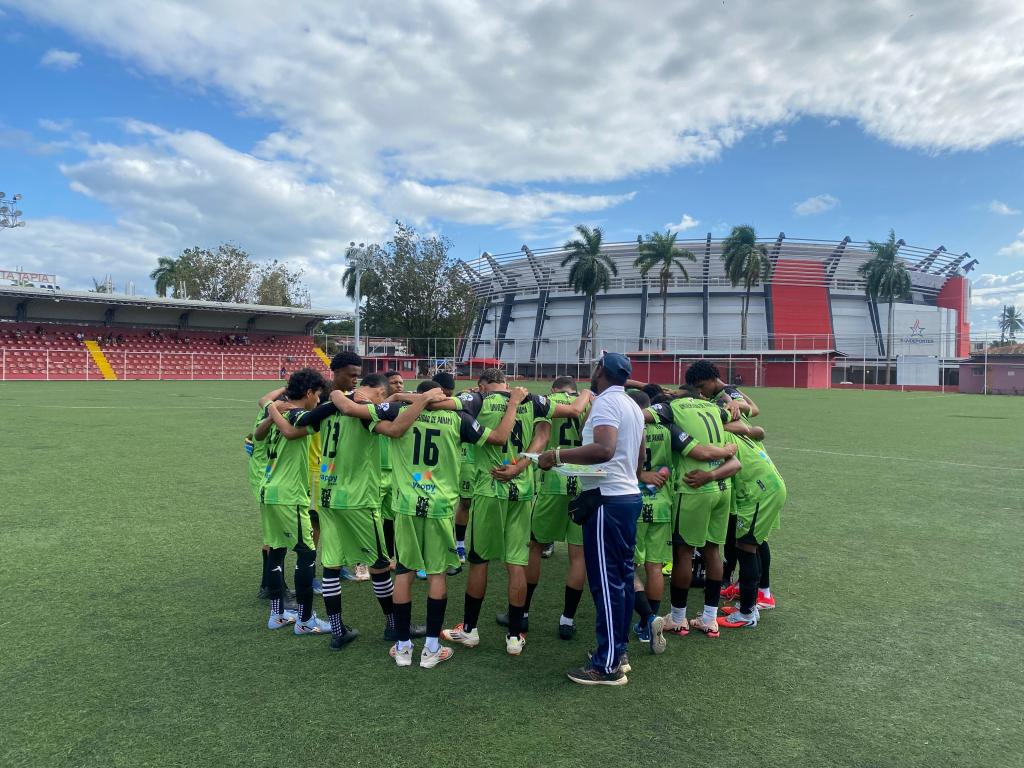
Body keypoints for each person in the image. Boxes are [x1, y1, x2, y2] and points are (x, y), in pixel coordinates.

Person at [270, 367, 435, 650]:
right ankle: (395, 626)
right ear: (380, 392)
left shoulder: (328, 409)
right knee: (380, 565)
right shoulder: (366, 410)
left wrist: (272, 408)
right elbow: (395, 430)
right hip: (359, 499)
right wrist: (420, 401)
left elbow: (293, 430)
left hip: (328, 495)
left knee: (331, 565)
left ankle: (338, 631)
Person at [381, 380, 520, 667]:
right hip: (440, 505)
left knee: (404, 573)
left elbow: (360, 409)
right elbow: (499, 438)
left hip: (406, 505)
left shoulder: (400, 412)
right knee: (437, 574)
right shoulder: (459, 418)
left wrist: (398, 397)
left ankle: (403, 647)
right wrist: (514, 404)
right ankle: (432, 648)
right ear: (444, 396)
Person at [536, 353, 644, 686]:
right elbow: (638, 457)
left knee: (607, 582)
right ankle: (617, 652)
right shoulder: (632, 405)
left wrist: (556, 455)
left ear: (601, 372)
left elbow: (604, 449)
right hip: (626, 495)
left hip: (607, 500)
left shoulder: (607, 403)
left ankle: (607, 665)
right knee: (622, 578)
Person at [644, 385, 740, 639]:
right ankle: (710, 619)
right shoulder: (714, 408)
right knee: (713, 550)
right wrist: (730, 399)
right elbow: (738, 413)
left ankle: (678, 619)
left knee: (684, 553)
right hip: (723, 486)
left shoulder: (672, 409)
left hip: (694, 487)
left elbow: (640, 414)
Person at [684, 360, 775, 609]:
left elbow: (752, 416)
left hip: (749, 468)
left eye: (701, 386)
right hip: (738, 471)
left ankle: (763, 592)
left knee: (753, 538)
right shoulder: (719, 395)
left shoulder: (726, 394)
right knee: (738, 533)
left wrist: (733, 406)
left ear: (713, 379)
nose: (700, 392)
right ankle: (740, 582)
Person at [685, 430, 786, 630]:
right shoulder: (731, 430)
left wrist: (708, 476)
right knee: (750, 545)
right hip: (766, 488)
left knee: (747, 549)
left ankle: (747, 613)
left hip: (760, 492)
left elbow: (733, 464)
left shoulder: (722, 434)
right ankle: (751, 606)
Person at [254, 368, 329, 634]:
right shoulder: (299, 416)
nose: (318, 401)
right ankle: (306, 620)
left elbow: (259, 435)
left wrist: (271, 410)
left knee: (277, 550)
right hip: (288, 494)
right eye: (317, 395)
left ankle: (277, 614)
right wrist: (275, 410)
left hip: (268, 490)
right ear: (308, 393)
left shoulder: (280, 411)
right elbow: (289, 432)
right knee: (307, 552)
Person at [517, 375, 592, 640]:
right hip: (582, 483)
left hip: (553, 482)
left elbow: (542, 436)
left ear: (554, 388)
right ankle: (567, 620)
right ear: (574, 389)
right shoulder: (588, 402)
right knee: (578, 556)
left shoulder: (546, 401)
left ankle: (523, 614)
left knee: (535, 547)